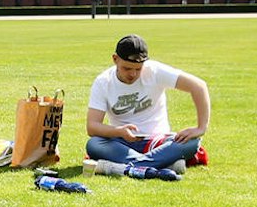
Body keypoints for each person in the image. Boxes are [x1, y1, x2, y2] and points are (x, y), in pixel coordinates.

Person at [82, 33, 211, 180]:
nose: (133, 74)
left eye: (138, 69)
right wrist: (119, 131)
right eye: (127, 68)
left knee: (192, 143)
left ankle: (120, 168)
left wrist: (201, 128)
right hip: (123, 143)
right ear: (115, 59)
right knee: (94, 144)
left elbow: (199, 86)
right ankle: (164, 166)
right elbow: (92, 127)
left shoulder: (154, 71)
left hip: (158, 142)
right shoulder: (103, 82)